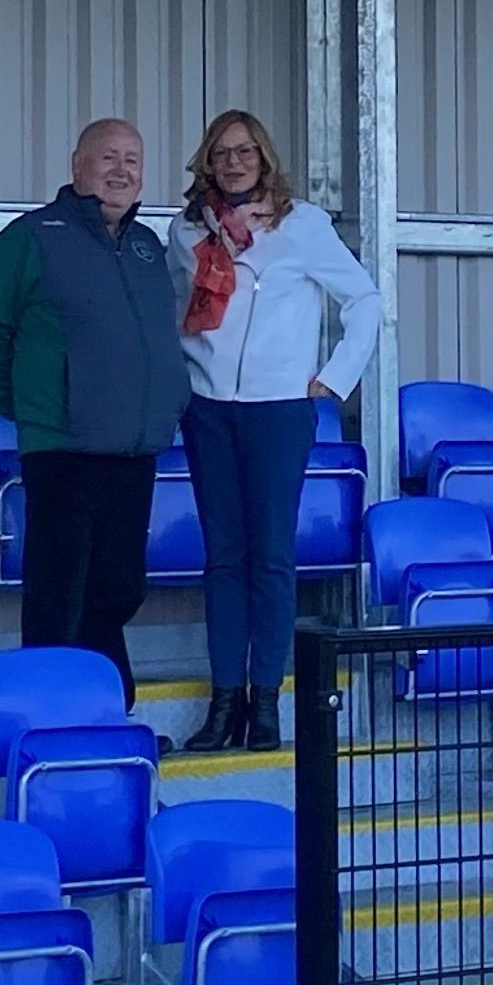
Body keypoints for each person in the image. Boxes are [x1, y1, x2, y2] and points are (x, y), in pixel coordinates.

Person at [166, 110, 382, 752]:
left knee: (272, 558)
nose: (234, 162)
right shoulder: (185, 230)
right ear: (207, 160)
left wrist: (334, 377)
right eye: (222, 152)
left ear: (265, 157)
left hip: (278, 409)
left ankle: (266, 704)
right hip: (207, 407)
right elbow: (175, 309)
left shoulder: (303, 225)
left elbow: (364, 301)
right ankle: (223, 700)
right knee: (223, 558)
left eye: (246, 151)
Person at [0, 117, 187, 700]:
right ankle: (52, 712)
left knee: (117, 587)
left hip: (131, 449)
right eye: (108, 157)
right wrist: (34, 405)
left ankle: (109, 710)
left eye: (132, 160)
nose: (121, 170)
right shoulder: (32, 237)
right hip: (62, 449)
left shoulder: (145, 247)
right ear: (77, 166)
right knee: (59, 590)